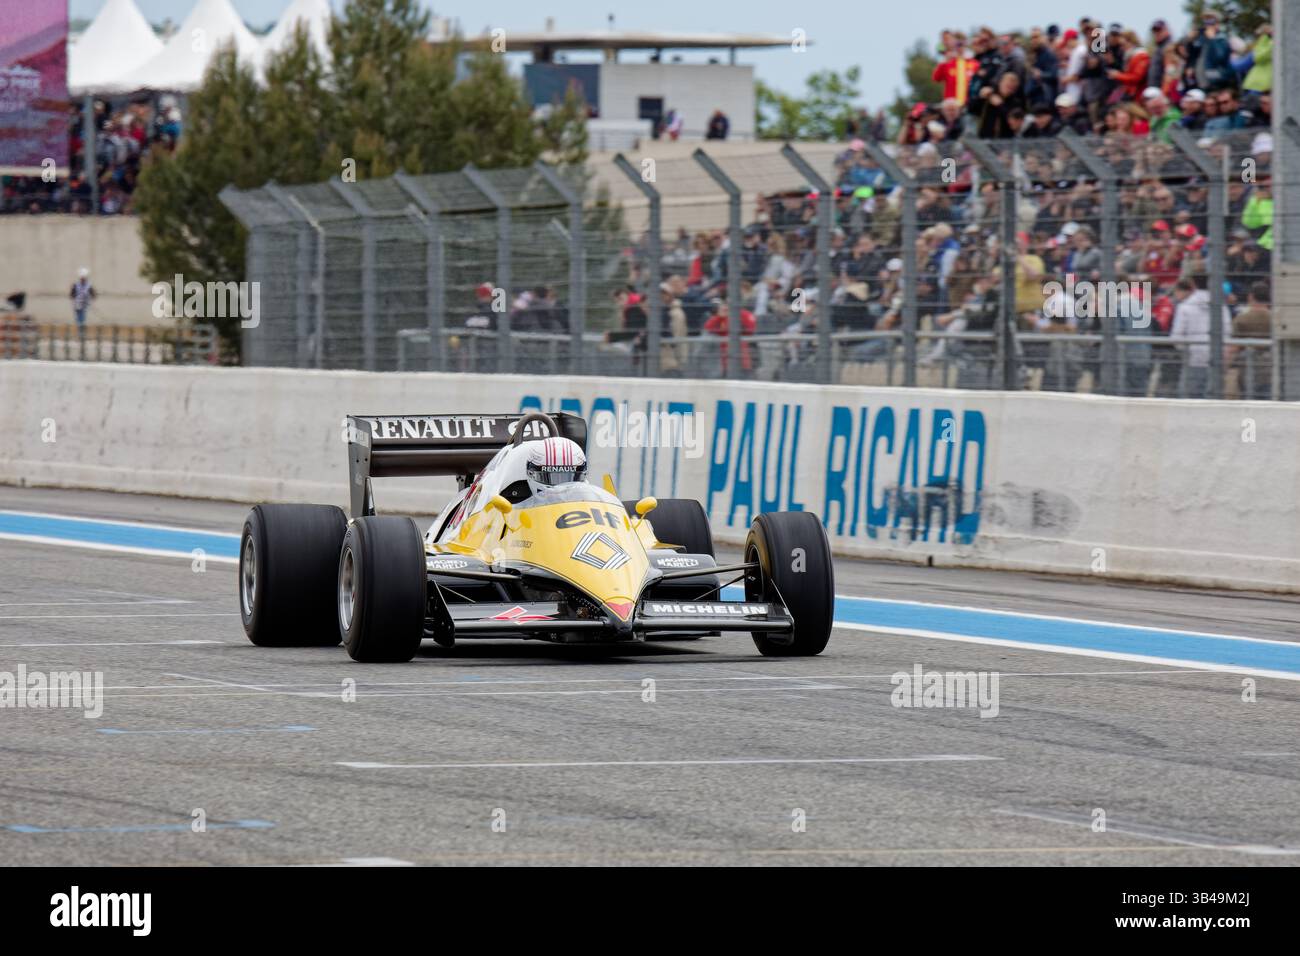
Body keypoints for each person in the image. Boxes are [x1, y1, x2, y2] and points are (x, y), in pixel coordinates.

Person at [69, 267, 95, 337]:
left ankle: (82, 332)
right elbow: (71, 294)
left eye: (84, 278)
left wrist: (90, 298)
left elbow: (93, 294)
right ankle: (81, 331)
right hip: (77, 305)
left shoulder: (88, 286)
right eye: (82, 278)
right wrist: (74, 298)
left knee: (82, 318)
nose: (83, 280)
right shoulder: (76, 285)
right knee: (79, 319)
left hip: (84, 305)